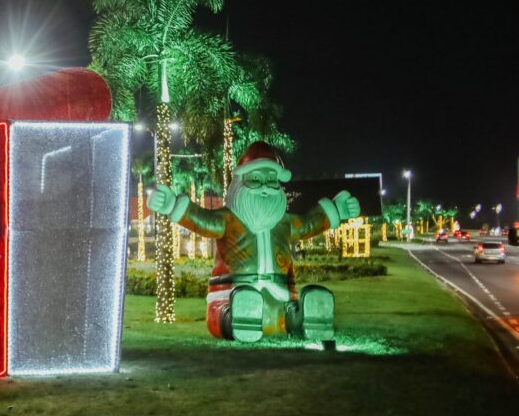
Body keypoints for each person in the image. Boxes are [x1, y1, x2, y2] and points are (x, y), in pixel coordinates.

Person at [147, 141, 360, 342]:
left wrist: (337, 210)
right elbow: (202, 220)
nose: (265, 187)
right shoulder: (228, 220)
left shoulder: (285, 223)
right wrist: (171, 205)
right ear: (240, 183)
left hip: (281, 296)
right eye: (256, 180)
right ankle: (235, 320)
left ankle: (305, 318)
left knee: (289, 314)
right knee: (227, 313)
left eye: (271, 180)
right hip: (232, 293)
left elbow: (308, 224)